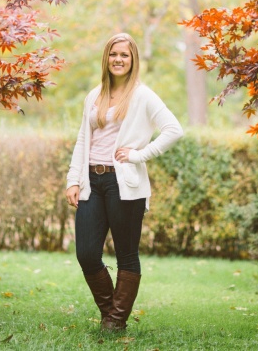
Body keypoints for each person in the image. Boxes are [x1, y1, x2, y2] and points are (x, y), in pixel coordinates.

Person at [65, 32, 184, 331]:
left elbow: (174, 129)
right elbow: (83, 139)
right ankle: (111, 314)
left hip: (125, 184)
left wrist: (139, 155)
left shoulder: (143, 95)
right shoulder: (94, 95)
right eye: (114, 54)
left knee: (126, 254)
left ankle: (114, 322)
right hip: (92, 181)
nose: (118, 60)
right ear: (106, 58)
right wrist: (73, 179)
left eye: (125, 55)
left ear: (133, 60)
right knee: (87, 254)